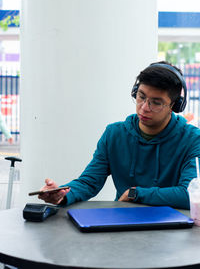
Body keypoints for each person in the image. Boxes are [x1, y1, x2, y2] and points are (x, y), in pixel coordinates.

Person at [39, 61, 200, 209]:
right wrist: (63, 194)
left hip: (172, 232)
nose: (144, 108)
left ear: (175, 105)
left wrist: (136, 193)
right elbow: (89, 182)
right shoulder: (114, 134)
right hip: (123, 225)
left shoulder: (193, 140)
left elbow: (190, 194)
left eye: (156, 103)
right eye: (141, 97)